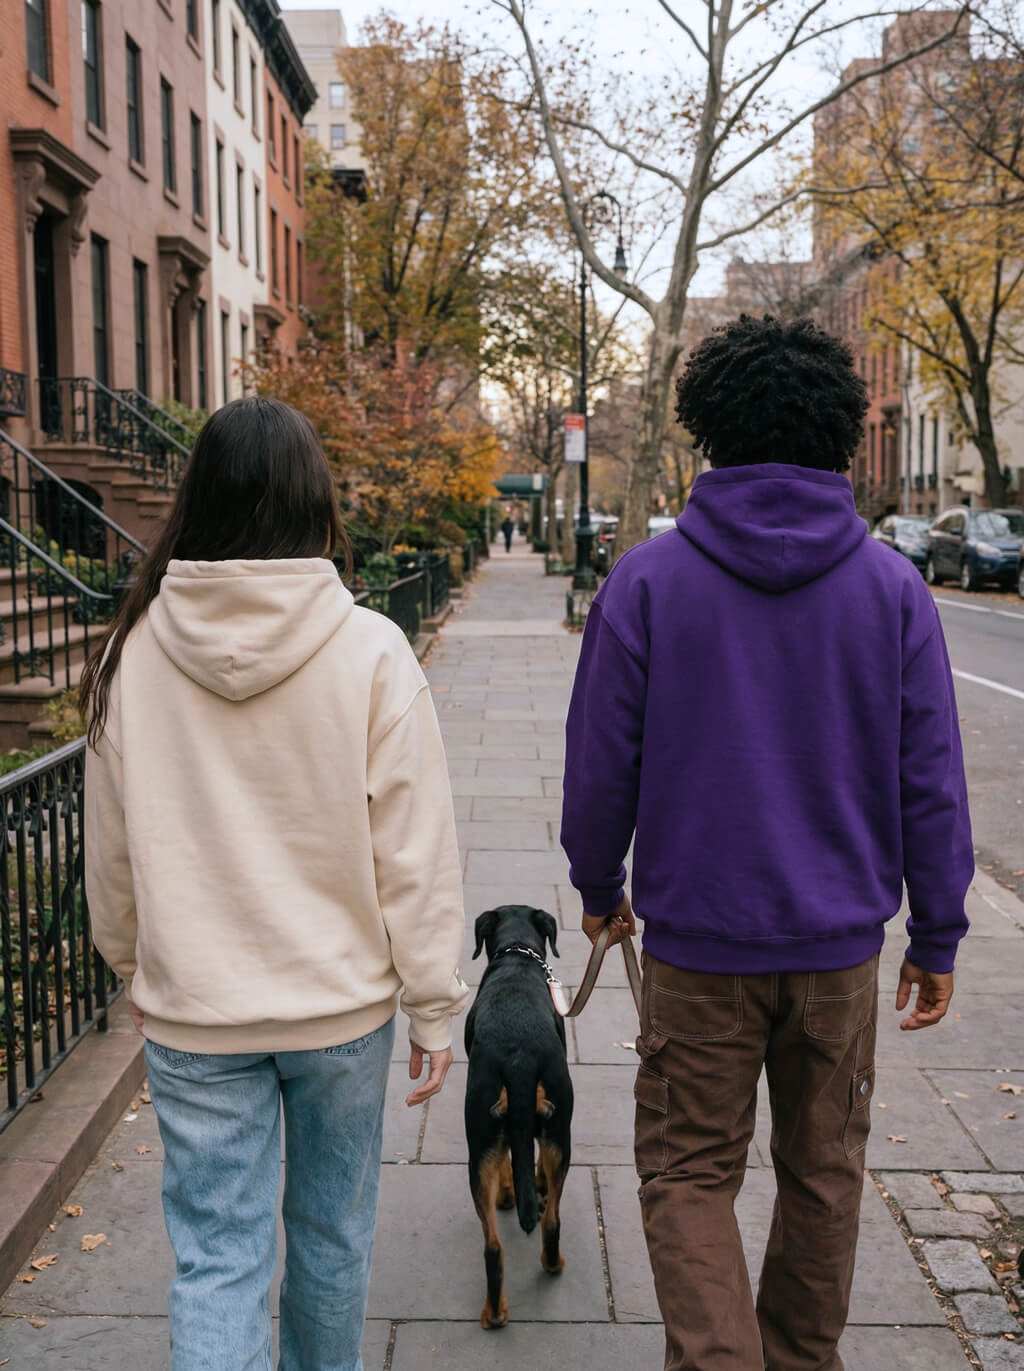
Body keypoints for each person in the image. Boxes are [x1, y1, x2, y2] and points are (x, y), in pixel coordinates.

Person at [561, 315, 972, 1371]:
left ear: (707, 432)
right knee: (824, 1170)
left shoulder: (648, 583)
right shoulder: (893, 590)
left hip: (700, 946)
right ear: (840, 433)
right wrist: (936, 932)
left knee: (688, 1170)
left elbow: (600, 765)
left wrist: (598, 882)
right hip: (839, 947)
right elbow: (929, 779)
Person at [82, 396, 467, 1371]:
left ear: (197, 499)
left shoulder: (135, 653)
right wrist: (432, 1005)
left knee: (216, 1261)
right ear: (314, 503)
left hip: (197, 1012)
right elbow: (413, 853)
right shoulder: (371, 650)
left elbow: (111, 847)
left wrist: (132, 962)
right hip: (338, 1011)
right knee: (332, 1240)